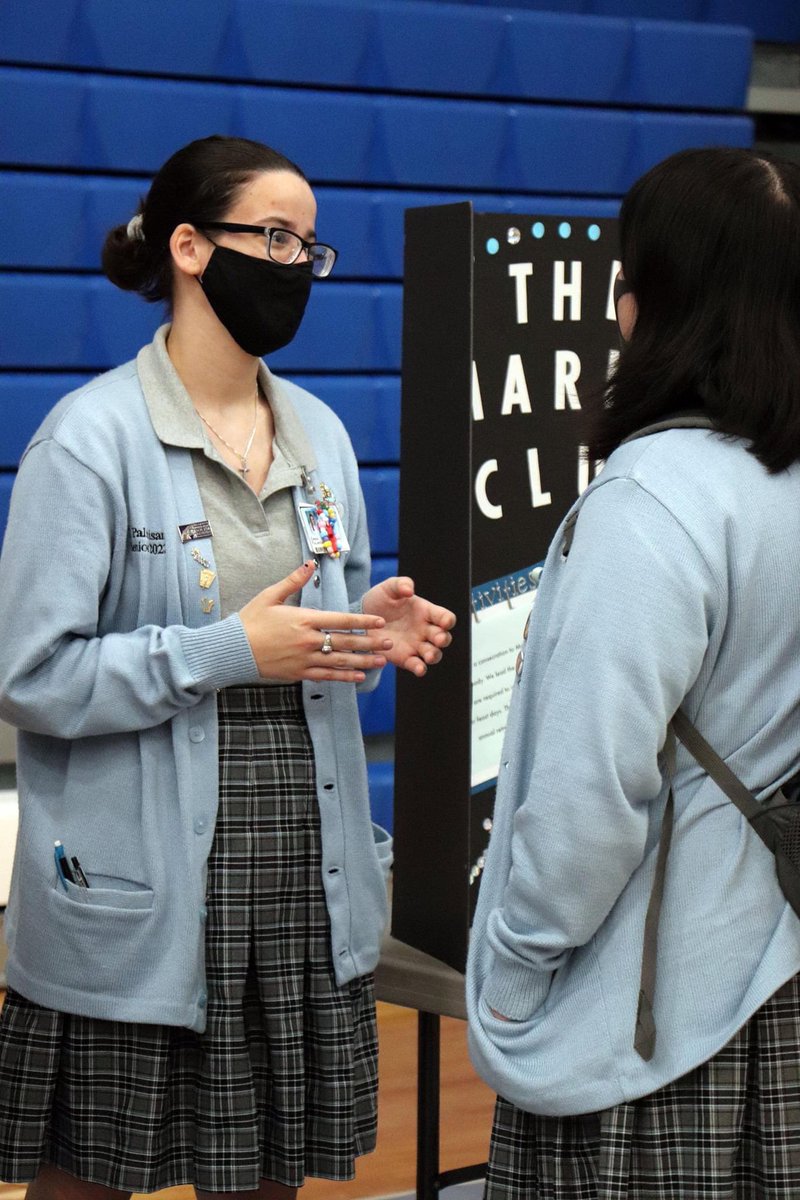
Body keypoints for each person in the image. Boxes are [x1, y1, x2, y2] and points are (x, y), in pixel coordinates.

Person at [0, 133, 455, 1200]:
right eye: (277, 237)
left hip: (295, 885)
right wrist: (225, 652)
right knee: (90, 1176)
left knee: (268, 1174)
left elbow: (316, 638)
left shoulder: (322, 437)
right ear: (193, 248)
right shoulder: (89, 441)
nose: (298, 265)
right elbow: (31, 677)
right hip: (140, 893)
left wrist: (364, 635)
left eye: (311, 246)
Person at [466, 146, 800, 1199]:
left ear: (652, 293)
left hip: (653, 1023)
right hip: (773, 978)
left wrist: (514, 970)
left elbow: (586, 795)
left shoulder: (649, 505)